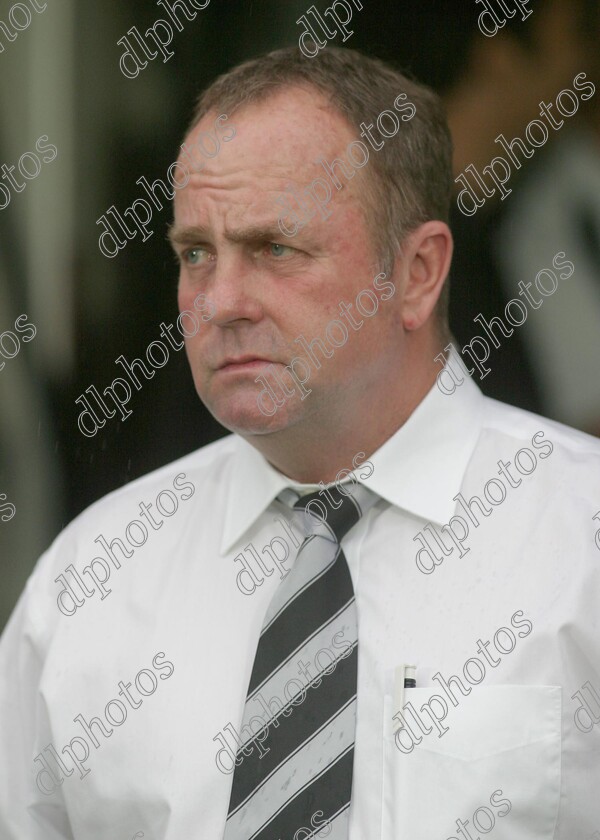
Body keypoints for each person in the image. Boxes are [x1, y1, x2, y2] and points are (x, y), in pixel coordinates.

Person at [0, 46, 599, 839]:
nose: (220, 302)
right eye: (195, 254)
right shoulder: (92, 582)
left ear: (418, 272)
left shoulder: (579, 541)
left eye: (276, 249)